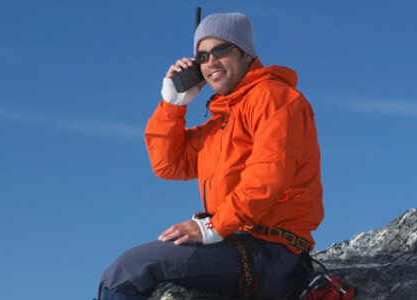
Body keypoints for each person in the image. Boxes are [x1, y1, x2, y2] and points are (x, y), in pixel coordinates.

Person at [98, 11, 324, 300]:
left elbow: (269, 175)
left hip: (272, 251)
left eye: (221, 50)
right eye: (202, 57)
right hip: (239, 243)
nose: (211, 62)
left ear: (246, 54)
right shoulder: (220, 123)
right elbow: (169, 163)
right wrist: (173, 103)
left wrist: (213, 226)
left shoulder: (274, 98)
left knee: (131, 270)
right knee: (120, 272)